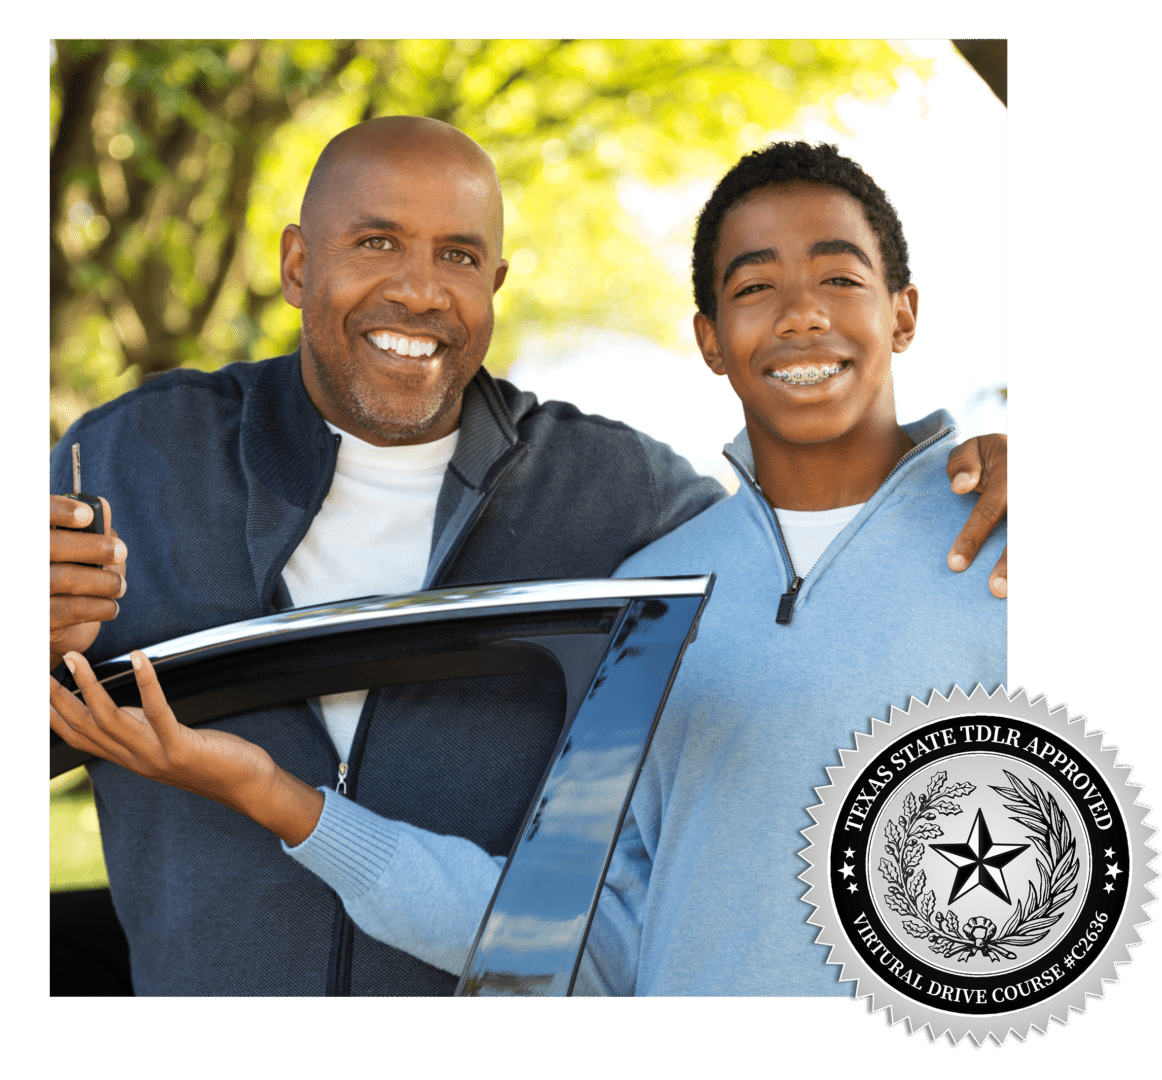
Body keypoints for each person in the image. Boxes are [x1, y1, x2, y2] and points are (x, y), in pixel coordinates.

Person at [49, 119, 1009, 997]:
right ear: (300, 262)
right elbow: (586, 938)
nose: (420, 290)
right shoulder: (133, 459)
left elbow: (822, 570)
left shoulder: (624, 503)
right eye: (376, 241)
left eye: (458, 255)